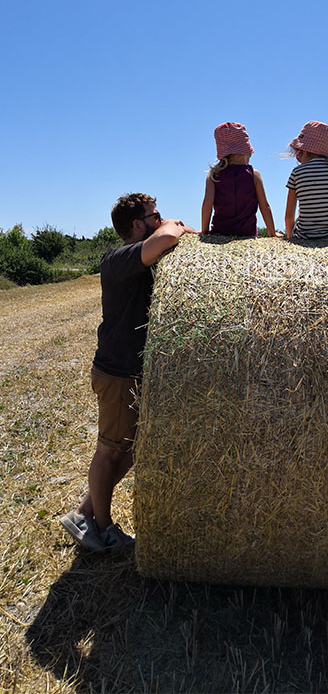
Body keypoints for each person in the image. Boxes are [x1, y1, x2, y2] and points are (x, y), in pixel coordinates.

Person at [60, 193, 196, 551]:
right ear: (138, 225)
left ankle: (84, 513)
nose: (160, 219)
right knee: (109, 450)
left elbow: (174, 238)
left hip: (132, 372)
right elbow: (167, 237)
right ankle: (103, 529)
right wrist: (172, 227)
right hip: (118, 373)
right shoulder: (118, 259)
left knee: (133, 449)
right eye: (155, 215)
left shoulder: (141, 260)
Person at [201, 122, 280, 237]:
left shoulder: (214, 175)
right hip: (247, 233)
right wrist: (272, 233)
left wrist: (204, 231)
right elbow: (264, 206)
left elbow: (207, 204)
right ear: (246, 151)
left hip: (220, 231)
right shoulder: (254, 175)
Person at [284, 121, 328, 241]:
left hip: (304, 236)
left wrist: (291, 238)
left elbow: (289, 215)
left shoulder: (297, 172)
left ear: (305, 149)